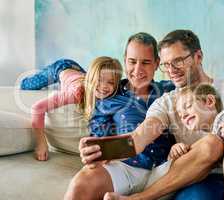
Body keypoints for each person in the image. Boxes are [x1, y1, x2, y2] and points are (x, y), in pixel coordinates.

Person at [73, 29, 224, 200]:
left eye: (178, 61)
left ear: (198, 57)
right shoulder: (167, 100)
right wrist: (103, 151)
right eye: (166, 65)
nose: (171, 71)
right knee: (212, 146)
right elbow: (139, 138)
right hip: (196, 177)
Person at [64, 32, 176, 200]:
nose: (138, 70)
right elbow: (99, 137)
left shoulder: (169, 90)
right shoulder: (108, 97)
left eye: (145, 62)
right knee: (80, 184)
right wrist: (94, 151)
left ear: (157, 63)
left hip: (166, 168)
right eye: (132, 62)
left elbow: (204, 86)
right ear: (125, 60)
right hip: (126, 167)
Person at [20, 56, 122, 161]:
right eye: (99, 80)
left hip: (79, 72)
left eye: (111, 82)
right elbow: (37, 108)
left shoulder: (114, 95)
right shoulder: (75, 94)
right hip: (60, 68)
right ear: (91, 79)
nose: (104, 86)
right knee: (26, 84)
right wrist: (41, 143)